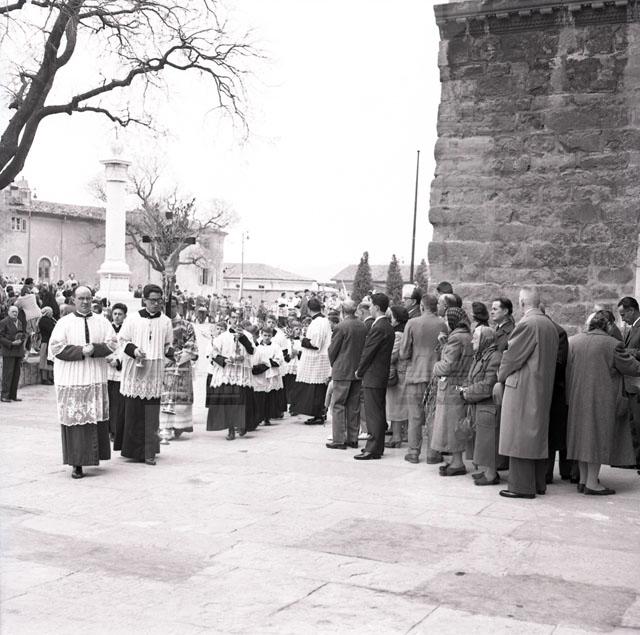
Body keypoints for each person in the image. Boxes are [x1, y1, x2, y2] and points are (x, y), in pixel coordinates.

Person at [494, 287, 559, 499]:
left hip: (523, 387)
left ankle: (521, 486)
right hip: (541, 387)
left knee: (519, 436)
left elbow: (512, 357)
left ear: (522, 303)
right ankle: (538, 483)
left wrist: (500, 376)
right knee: (535, 436)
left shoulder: (528, 324)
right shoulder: (549, 325)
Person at [566, 310, 640, 495]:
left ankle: (583, 480)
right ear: (608, 325)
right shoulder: (612, 344)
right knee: (596, 440)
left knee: (582, 439)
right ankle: (592, 483)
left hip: (576, 398)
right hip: (601, 399)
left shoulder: (574, 341)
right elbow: (631, 367)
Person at [48, 286, 116, 478]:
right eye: (81, 298)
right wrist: (80, 351)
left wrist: (95, 349)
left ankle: (93, 457)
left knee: (93, 416)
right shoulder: (64, 322)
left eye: (88, 298)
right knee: (76, 420)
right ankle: (76, 463)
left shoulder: (102, 321)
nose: (85, 302)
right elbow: (55, 348)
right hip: (72, 378)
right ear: (74, 300)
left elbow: (113, 343)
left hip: (94, 376)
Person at [118, 284, 173, 465]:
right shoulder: (133, 319)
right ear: (144, 300)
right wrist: (134, 350)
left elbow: (168, 345)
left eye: (159, 300)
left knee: (151, 412)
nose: (156, 304)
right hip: (135, 368)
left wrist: (173, 353)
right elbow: (122, 340)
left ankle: (149, 451)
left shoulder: (166, 321)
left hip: (154, 371)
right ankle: (132, 450)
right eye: (152, 300)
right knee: (133, 411)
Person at [399, 294, 445, 464]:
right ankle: (433, 454)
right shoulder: (442, 324)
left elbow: (404, 353)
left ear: (422, 306)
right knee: (433, 415)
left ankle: (413, 452)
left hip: (415, 373)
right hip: (435, 375)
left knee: (415, 416)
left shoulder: (412, 323)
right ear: (435, 306)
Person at [431, 307, 474, 476]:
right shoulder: (467, 335)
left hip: (451, 386)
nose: (445, 322)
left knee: (451, 426)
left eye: (446, 319)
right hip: (462, 384)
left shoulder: (456, 338)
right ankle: (456, 461)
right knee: (457, 424)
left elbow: (447, 366)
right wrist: (444, 345)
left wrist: (435, 367)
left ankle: (457, 463)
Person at [353, 293, 395, 460]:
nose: (369, 308)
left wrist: (360, 370)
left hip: (374, 375)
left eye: (370, 305)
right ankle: (376, 446)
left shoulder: (379, 327)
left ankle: (373, 448)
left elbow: (368, 352)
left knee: (373, 413)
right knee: (377, 411)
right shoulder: (386, 325)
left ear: (376, 307)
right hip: (379, 373)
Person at [462, 326, 502, 485]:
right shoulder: (481, 356)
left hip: (489, 407)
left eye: (475, 338)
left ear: (485, 340)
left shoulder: (495, 357)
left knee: (489, 442)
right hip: (480, 405)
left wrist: (467, 392)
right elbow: (472, 378)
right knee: (483, 442)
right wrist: (465, 390)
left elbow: (488, 385)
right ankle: (488, 471)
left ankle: (491, 474)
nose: (472, 341)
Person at [206, 315, 256, 440]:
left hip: (242, 373)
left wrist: (243, 338)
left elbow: (252, 351)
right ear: (229, 322)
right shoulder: (222, 337)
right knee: (229, 401)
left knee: (242, 400)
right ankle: (230, 428)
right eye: (233, 320)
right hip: (227, 373)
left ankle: (242, 424)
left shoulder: (247, 336)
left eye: (238, 320)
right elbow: (213, 353)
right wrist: (224, 360)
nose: (235, 323)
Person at [326, 300, 367, 450]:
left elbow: (333, 350)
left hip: (342, 369)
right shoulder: (362, 325)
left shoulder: (341, 327)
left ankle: (339, 439)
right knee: (353, 405)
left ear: (343, 311)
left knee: (338, 405)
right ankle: (352, 438)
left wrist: (334, 363)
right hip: (357, 369)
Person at [159, 296, 199, 439]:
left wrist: (177, 358)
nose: (169, 309)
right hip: (162, 367)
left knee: (179, 399)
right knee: (164, 398)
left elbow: (191, 346)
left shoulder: (186, 325)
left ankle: (179, 426)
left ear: (178, 307)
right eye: (165, 306)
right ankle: (164, 426)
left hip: (180, 368)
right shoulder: (159, 324)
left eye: (172, 306)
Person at [294, 297, 332, 425]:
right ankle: (319, 414)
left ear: (309, 309)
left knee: (316, 389)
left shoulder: (318, 322)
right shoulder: (323, 320)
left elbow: (315, 344)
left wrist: (302, 339)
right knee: (317, 388)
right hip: (319, 359)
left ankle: (319, 415)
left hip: (317, 360)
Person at [618, 296, 640, 471]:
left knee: (638, 423)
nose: (623, 319)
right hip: (631, 384)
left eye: (623, 314)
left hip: (637, 383)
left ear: (632, 310)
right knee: (633, 423)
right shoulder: (632, 328)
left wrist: (626, 351)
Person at [385, 305, 410, 448]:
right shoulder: (406, 330)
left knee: (396, 405)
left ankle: (396, 437)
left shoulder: (398, 334)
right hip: (403, 372)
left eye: (392, 316)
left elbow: (392, 355)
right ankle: (401, 434)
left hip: (398, 373)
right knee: (400, 404)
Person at [251, 327, 284, 426]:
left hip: (272, 373)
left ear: (272, 336)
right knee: (260, 397)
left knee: (270, 397)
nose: (267, 337)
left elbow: (279, 359)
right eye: (265, 335)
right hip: (261, 374)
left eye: (269, 335)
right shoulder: (257, 347)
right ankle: (259, 416)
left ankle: (268, 417)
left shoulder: (276, 347)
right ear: (261, 335)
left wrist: (268, 361)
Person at [107, 303, 127, 445]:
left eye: (120, 314)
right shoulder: (107, 329)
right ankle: (108, 430)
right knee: (108, 401)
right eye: (115, 314)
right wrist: (108, 358)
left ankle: (117, 431)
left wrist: (119, 361)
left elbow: (126, 349)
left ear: (125, 316)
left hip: (121, 371)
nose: (117, 317)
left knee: (118, 403)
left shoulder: (127, 330)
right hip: (107, 370)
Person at [0, 305, 25, 402]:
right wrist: (11, 343)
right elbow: (0, 337)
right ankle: (4, 395)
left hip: (18, 351)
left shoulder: (20, 322)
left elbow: (22, 334)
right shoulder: (4, 322)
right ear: (8, 312)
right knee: (8, 374)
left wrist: (21, 340)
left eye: (16, 312)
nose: (15, 313)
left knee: (16, 374)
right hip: (9, 351)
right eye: (13, 311)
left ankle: (13, 395)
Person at [37, 306, 57, 384]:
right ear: (48, 313)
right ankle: (45, 378)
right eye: (51, 312)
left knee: (49, 360)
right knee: (45, 360)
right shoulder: (44, 320)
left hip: (48, 342)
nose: (52, 314)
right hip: (46, 342)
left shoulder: (49, 320)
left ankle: (50, 377)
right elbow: (51, 330)